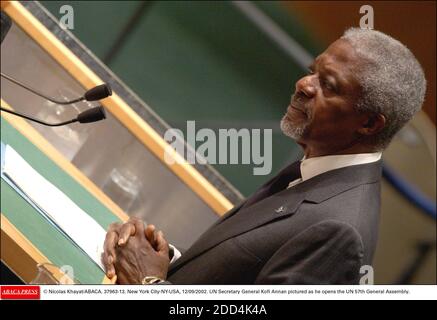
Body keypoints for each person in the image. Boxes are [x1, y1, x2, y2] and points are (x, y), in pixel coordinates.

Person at [101, 27, 426, 284]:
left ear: (368, 123)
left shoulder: (339, 234)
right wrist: (161, 257)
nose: (303, 84)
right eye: (312, 71)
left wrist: (146, 283)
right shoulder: (315, 167)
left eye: (328, 85)